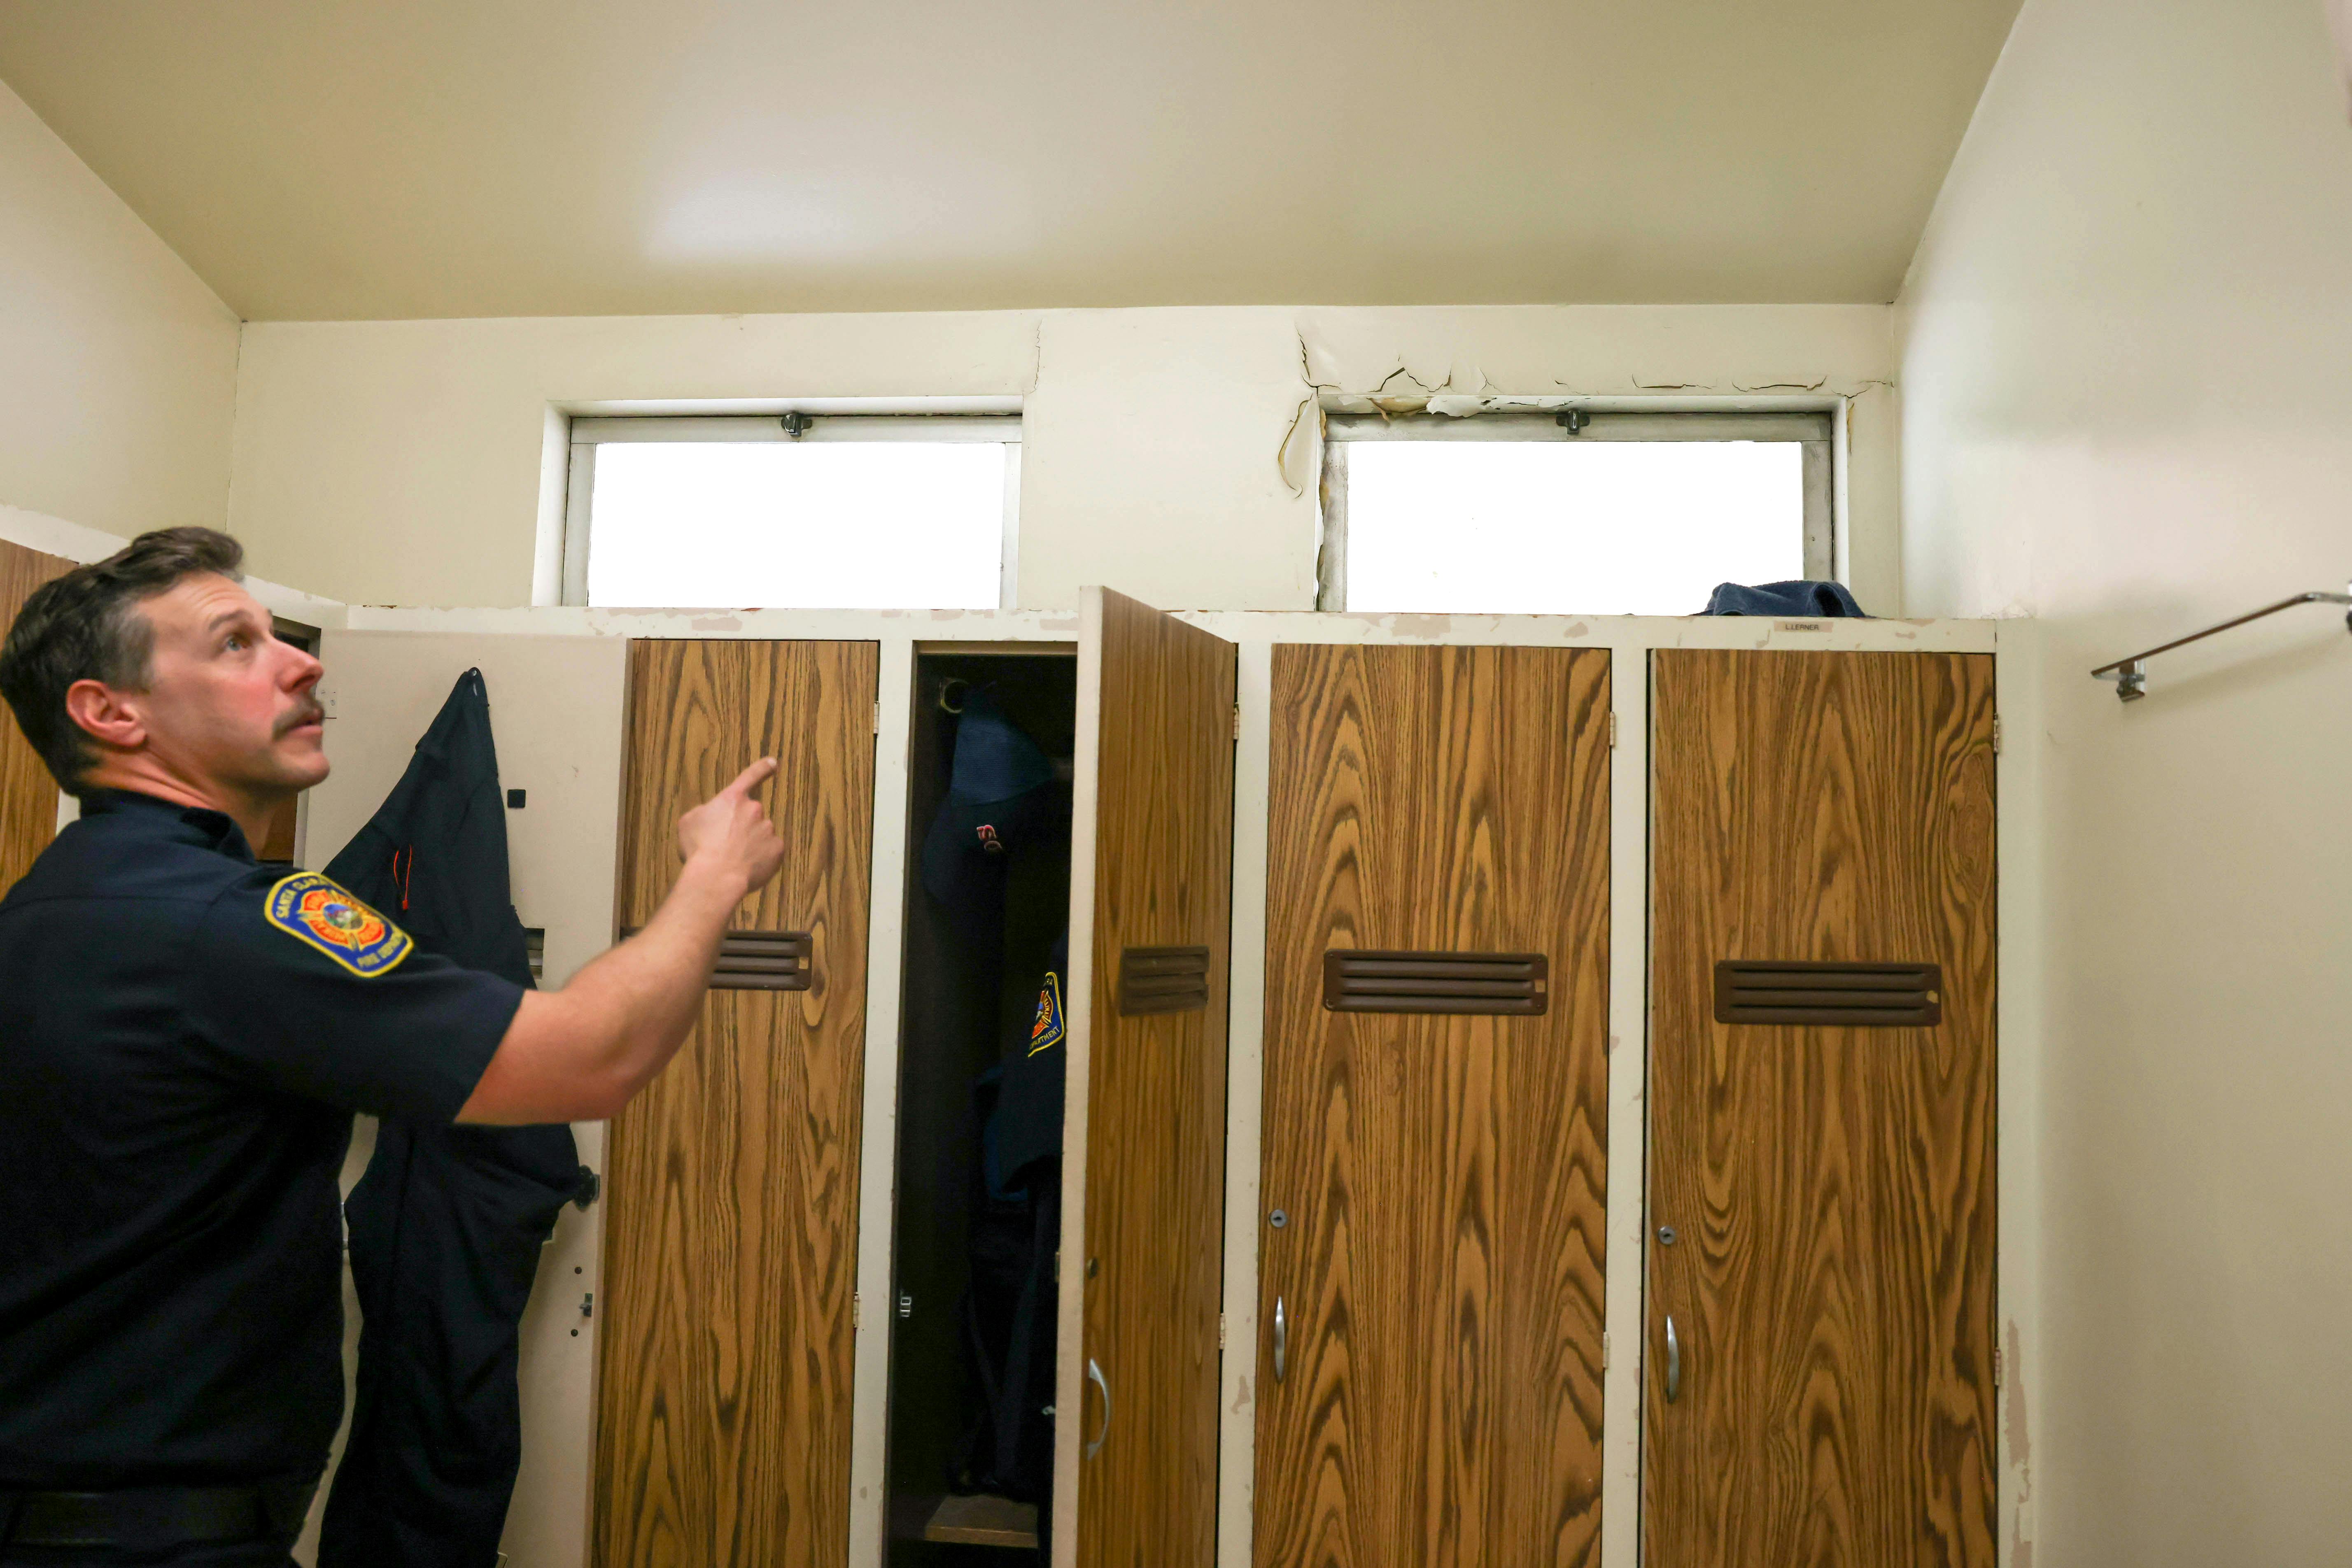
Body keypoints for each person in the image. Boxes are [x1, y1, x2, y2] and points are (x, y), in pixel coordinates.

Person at [0, 528, 785, 1565]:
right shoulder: (232, 929)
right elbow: (589, 1057)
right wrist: (712, 877)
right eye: (235, 644)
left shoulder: (50, 908)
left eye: (278, 634)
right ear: (110, 712)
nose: (301, 658)